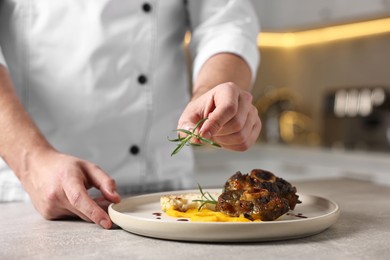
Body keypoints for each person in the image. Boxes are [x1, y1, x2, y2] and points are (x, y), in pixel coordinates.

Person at [0, 0, 261, 229]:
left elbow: (225, 21)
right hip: (28, 192)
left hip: (166, 194)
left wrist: (213, 95)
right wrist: (31, 161)